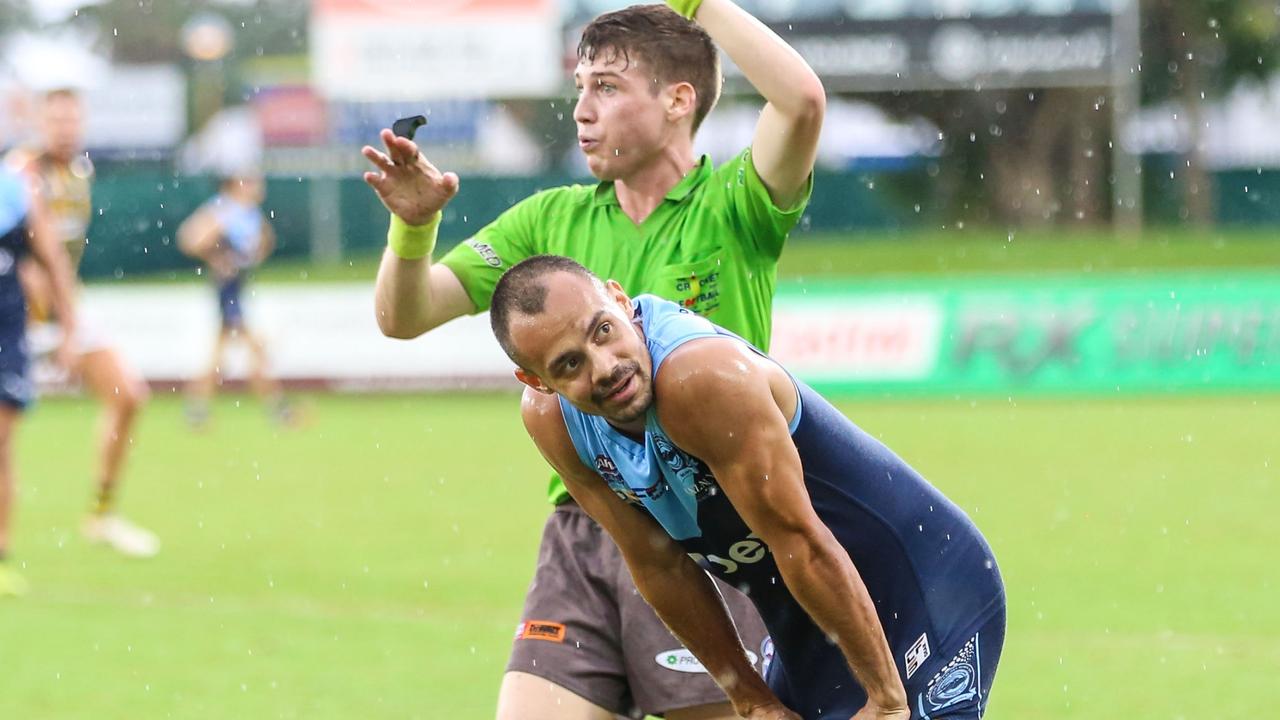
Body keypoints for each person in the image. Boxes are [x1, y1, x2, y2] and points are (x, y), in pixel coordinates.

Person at [363, 1, 824, 716]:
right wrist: (413, 227)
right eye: (579, 87)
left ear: (679, 101)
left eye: (606, 87)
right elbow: (404, 316)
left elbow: (800, 101)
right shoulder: (550, 220)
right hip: (583, 529)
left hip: (708, 530)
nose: (582, 109)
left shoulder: (734, 205)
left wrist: (699, 5)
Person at [490, 256, 1007, 720]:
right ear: (536, 381)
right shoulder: (552, 423)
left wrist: (889, 702)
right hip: (811, 625)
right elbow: (657, 565)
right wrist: (751, 700)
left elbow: (800, 543)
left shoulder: (700, 378)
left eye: (603, 330)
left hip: (924, 585)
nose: (605, 368)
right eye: (569, 365)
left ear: (621, 300)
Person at [8, 88, 159, 558]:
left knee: (129, 396)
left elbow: (63, 259)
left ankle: (101, 516)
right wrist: (55, 329)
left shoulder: (79, 173)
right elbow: (29, 256)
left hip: (64, 306)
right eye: (55, 120)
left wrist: (69, 321)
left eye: (72, 120)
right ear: (38, 123)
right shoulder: (22, 172)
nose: (65, 129)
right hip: (16, 309)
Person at [0, 152, 80, 595]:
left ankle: (1, 556)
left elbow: (49, 258)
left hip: (6, 337)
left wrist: (68, 328)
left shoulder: (15, 186)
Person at [177, 172, 292, 428]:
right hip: (227, 288)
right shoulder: (224, 209)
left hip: (237, 285)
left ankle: (196, 409)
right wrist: (217, 258)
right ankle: (278, 408)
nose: (258, 186)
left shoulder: (249, 212)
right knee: (253, 347)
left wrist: (250, 258)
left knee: (220, 355)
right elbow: (190, 238)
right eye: (253, 181)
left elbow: (264, 241)